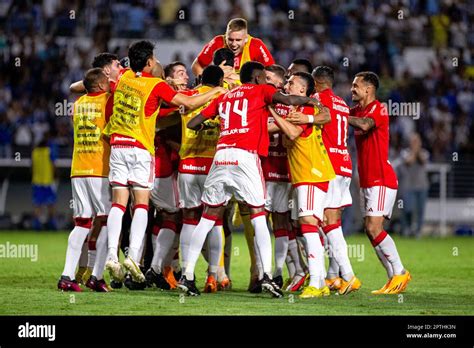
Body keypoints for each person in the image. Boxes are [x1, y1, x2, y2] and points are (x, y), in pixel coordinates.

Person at [181, 61, 325, 297]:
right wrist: (311, 100)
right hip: (245, 157)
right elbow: (289, 100)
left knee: (207, 218)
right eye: (264, 77)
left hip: (221, 156)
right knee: (259, 216)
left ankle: (187, 276)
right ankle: (267, 275)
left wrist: (214, 124)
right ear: (258, 78)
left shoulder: (225, 96)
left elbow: (194, 123)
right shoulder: (262, 91)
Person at [102, 40, 226, 284]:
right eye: (155, 59)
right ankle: (134, 259)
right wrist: (215, 91)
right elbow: (189, 103)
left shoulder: (125, 77)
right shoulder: (156, 86)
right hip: (140, 149)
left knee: (118, 205)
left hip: (117, 146)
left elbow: (88, 82)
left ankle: (112, 257)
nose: (158, 62)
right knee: (141, 206)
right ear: (149, 62)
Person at [287, 66, 361, 295]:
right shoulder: (340, 102)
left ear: (315, 84)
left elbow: (319, 120)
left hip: (323, 165)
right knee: (331, 224)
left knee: (312, 222)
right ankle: (344, 276)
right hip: (344, 165)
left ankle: (320, 279)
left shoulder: (316, 99)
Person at [268, 72, 334, 298]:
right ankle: (322, 280)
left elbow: (294, 133)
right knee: (306, 224)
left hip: (312, 173)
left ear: (302, 91)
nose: (286, 85)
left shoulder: (305, 109)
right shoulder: (299, 110)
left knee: (307, 224)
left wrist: (270, 111)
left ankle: (316, 282)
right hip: (305, 175)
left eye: (291, 83)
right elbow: (288, 139)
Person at [348, 71, 411, 294]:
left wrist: (339, 116)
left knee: (375, 227)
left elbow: (365, 125)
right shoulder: (355, 110)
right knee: (369, 229)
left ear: (368, 89)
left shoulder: (379, 108)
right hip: (366, 180)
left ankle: (400, 272)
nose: (352, 89)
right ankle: (392, 277)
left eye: (356, 86)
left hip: (381, 179)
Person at [57, 68, 113, 292]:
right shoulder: (107, 100)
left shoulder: (78, 105)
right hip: (100, 169)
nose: (110, 84)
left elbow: (82, 87)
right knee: (109, 222)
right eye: (106, 82)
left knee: (82, 223)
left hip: (78, 169)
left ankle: (67, 275)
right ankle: (96, 276)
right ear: (100, 86)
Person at [176, 65, 226, 293]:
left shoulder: (187, 96)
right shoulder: (224, 96)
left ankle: (187, 273)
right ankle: (213, 275)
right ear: (220, 81)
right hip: (213, 165)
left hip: (188, 164)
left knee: (189, 219)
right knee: (215, 220)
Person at [191, 18, 274, 76]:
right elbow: (196, 65)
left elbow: (271, 72)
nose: (234, 44)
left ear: (246, 39)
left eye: (238, 40)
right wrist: (211, 78)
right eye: (230, 39)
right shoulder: (218, 42)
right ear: (225, 36)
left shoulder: (256, 45)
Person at [400, 133, 429, 238]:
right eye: (413, 141)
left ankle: (418, 231)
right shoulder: (405, 152)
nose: (415, 143)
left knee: (420, 210)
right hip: (408, 186)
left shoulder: (424, 152)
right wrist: (414, 151)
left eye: (417, 141)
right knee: (408, 209)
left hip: (422, 186)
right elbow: (409, 161)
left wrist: (417, 151)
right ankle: (407, 229)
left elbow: (423, 161)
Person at [31, 131, 58, 231]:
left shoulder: (34, 152)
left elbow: (32, 167)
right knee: (51, 204)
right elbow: (53, 165)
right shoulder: (49, 151)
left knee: (38, 204)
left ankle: (36, 225)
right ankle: (52, 224)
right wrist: (56, 175)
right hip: (48, 182)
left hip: (37, 182)